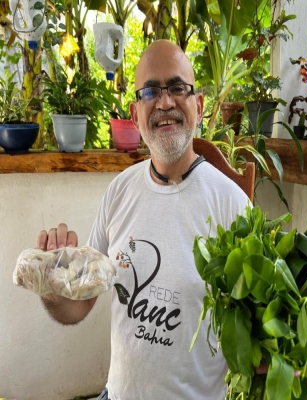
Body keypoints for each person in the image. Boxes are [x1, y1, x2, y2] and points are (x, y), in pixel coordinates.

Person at [37, 39, 250, 400]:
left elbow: (255, 328)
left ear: (198, 105)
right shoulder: (119, 192)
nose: (164, 102)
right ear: (135, 114)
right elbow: (78, 305)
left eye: (177, 88)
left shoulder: (233, 206)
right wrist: (50, 288)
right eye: (150, 91)